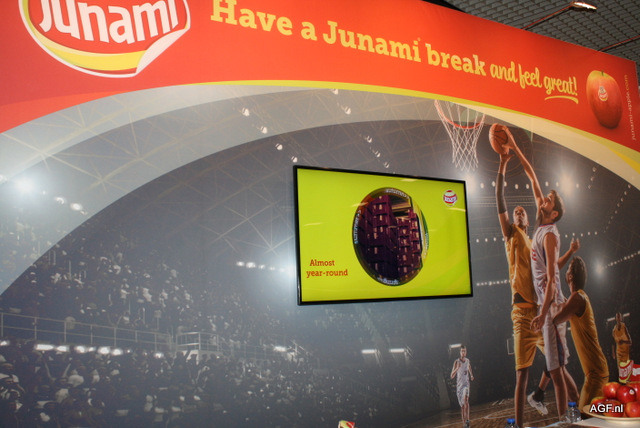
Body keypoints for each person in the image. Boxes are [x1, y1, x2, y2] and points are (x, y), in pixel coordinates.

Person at [505, 135, 579, 420]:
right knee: (556, 371)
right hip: (545, 307)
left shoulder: (549, 236)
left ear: (553, 212)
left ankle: (569, 418)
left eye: (547, 200)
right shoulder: (541, 222)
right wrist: (513, 145)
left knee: (557, 372)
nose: (542, 200)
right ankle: (571, 412)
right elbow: (532, 177)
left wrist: (543, 312)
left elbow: (551, 279)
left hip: (552, 306)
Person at [552, 256, 609, 409]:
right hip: (595, 373)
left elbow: (556, 319)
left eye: (568, 269)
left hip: (596, 375)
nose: (565, 272)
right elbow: (566, 304)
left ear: (571, 276)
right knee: (587, 415)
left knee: (584, 416)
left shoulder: (577, 298)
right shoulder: (579, 297)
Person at [450, 345, 474, 428]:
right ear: (460, 352)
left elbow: (469, 367)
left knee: (466, 400)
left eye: (464, 351)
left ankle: (467, 421)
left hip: (466, 385)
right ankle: (464, 423)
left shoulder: (467, 361)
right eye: (462, 351)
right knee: (462, 406)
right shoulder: (456, 362)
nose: (463, 352)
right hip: (459, 387)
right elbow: (452, 376)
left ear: (466, 352)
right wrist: (457, 368)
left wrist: (471, 375)